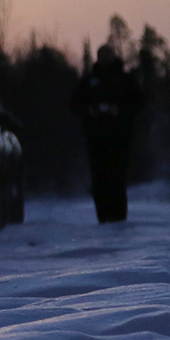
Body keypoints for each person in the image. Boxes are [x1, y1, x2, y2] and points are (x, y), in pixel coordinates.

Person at [70, 45, 144, 223]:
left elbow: (139, 102)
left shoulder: (125, 80)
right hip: (95, 138)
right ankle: (103, 216)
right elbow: (74, 104)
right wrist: (89, 110)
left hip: (120, 137)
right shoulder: (89, 81)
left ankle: (119, 216)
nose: (104, 58)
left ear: (114, 56)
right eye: (101, 55)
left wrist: (119, 110)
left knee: (117, 177)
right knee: (99, 178)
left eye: (107, 55)